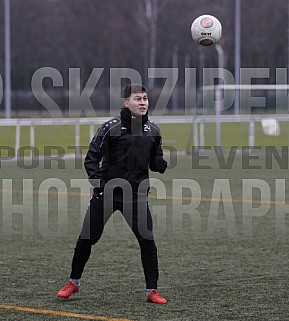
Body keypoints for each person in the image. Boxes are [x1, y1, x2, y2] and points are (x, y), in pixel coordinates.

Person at [57, 83, 168, 304]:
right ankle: (73, 283)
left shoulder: (153, 131)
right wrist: (100, 185)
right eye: (138, 99)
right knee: (87, 238)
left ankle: (152, 291)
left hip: (135, 196)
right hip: (106, 194)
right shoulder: (110, 127)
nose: (143, 102)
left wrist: (160, 163)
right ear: (126, 102)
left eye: (145, 98)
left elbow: (156, 163)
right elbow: (91, 158)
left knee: (147, 242)